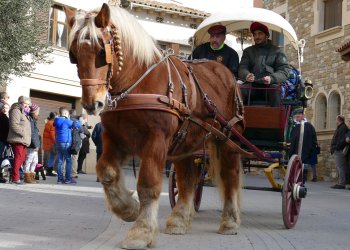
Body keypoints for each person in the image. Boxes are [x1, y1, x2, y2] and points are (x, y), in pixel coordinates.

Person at [238, 22, 290, 107]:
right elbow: (242, 68)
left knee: (275, 89)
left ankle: (275, 118)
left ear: (267, 35)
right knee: (239, 89)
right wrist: (246, 75)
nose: (257, 37)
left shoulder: (277, 51)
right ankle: (239, 117)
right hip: (252, 86)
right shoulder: (248, 51)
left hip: (269, 86)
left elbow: (284, 71)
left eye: (260, 34)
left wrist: (271, 78)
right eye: (254, 34)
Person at [288, 108, 317, 184]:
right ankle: (295, 183)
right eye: (296, 117)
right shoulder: (295, 127)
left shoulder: (309, 127)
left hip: (305, 153)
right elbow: (292, 140)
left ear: (302, 116)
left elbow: (314, 140)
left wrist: (310, 150)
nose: (297, 118)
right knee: (295, 169)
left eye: (298, 116)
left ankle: (301, 184)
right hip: (295, 152)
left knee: (304, 169)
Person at [7, 96, 32, 184]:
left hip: (23, 140)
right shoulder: (16, 111)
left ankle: (14, 175)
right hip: (18, 139)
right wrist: (23, 133)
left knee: (21, 159)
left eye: (28, 105)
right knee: (18, 159)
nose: (27, 106)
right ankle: (15, 178)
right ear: (21, 103)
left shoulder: (24, 113)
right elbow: (14, 125)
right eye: (26, 104)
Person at [54, 107, 81, 184]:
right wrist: (78, 120)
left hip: (58, 142)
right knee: (68, 160)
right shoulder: (67, 121)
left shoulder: (56, 120)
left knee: (60, 161)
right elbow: (77, 124)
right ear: (66, 114)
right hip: (66, 142)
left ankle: (59, 179)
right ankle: (68, 179)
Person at [23, 104, 41, 183]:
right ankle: (27, 177)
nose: (38, 114)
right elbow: (32, 134)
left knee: (34, 161)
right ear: (33, 113)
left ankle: (31, 176)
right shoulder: (30, 121)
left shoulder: (34, 121)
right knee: (29, 160)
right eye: (37, 112)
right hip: (31, 146)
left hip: (35, 146)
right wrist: (36, 145)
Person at [330, 115, 348, 189]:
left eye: (336, 119)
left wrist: (336, 147)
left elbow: (341, 140)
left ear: (339, 120)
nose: (335, 121)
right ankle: (341, 182)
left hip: (339, 150)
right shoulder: (341, 127)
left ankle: (341, 183)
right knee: (340, 167)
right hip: (338, 149)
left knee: (340, 167)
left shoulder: (343, 128)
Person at [42, 112, 57, 176]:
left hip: (47, 143)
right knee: (51, 157)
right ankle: (49, 171)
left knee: (50, 157)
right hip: (51, 143)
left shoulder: (48, 122)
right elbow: (52, 134)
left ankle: (48, 171)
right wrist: (55, 142)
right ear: (55, 116)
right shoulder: (52, 123)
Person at [0, 101, 10, 183]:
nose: (4, 109)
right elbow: (7, 130)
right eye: (3, 108)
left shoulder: (5, 117)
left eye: (6, 108)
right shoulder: (4, 118)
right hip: (2, 141)